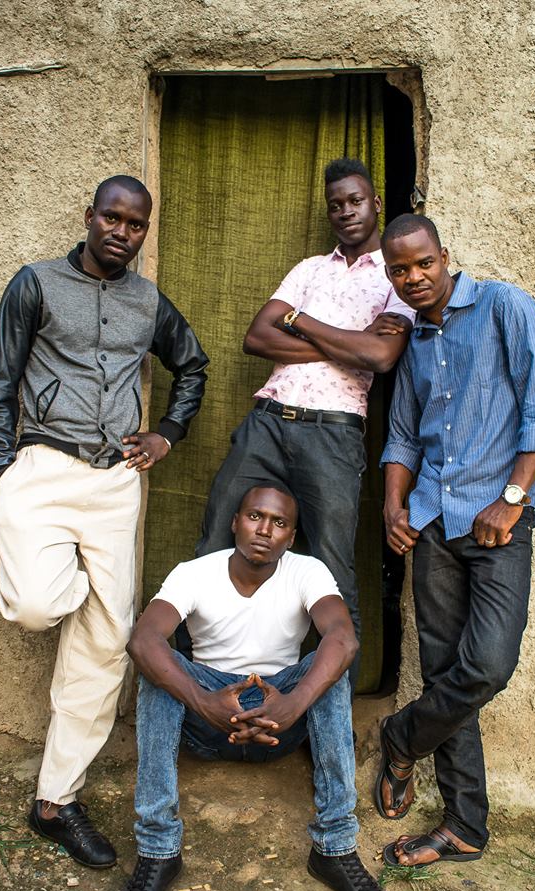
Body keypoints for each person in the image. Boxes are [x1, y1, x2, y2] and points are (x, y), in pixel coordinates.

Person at [0, 175, 209, 868]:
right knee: (34, 605)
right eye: (112, 217)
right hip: (42, 470)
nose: (122, 231)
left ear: (144, 231)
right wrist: (2, 474)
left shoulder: (149, 301)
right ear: (90, 217)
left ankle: (56, 801)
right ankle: (75, 590)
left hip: (116, 483)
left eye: (136, 224)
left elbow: (191, 365)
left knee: (108, 646)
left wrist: (166, 431)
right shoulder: (35, 285)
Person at [374, 214, 535, 866]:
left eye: (422, 263)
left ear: (443, 257)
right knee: (444, 669)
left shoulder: (504, 306)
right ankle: (463, 825)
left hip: (500, 527)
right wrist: (394, 504)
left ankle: (401, 737)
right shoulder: (417, 344)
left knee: (486, 665)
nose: (414, 277)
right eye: (400, 270)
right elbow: (402, 435)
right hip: (432, 525)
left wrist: (511, 498)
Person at [111, 483, 397, 891]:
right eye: (255, 516)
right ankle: (158, 852)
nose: (265, 529)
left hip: (281, 712)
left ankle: (335, 848)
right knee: (159, 668)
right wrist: (204, 702)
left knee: (331, 663)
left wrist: (292, 704)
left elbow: (343, 638)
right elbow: (143, 640)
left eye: (279, 523)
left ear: (292, 535)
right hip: (208, 717)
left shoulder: (308, 571)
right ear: (235, 522)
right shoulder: (194, 572)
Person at [190, 158, 415, 687]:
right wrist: (347, 342)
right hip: (266, 422)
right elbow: (257, 338)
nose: (346, 212)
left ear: (376, 204)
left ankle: (332, 721)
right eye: (336, 205)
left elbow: (381, 359)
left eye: (355, 201)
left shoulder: (396, 274)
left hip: (333, 433)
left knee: (333, 577)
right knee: (212, 552)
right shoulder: (310, 268)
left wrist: (301, 322)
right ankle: (200, 695)